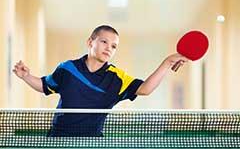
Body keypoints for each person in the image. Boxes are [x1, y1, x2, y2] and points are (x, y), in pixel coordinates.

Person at [13, 25, 188, 137]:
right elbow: (45, 86)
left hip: (92, 141)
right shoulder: (67, 68)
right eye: (104, 41)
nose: (108, 48)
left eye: (113, 46)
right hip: (59, 138)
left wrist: (167, 63)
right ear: (90, 42)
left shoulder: (117, 78)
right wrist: (26, 76)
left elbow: (145, 89)